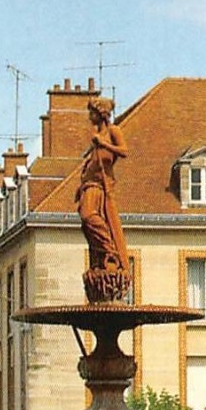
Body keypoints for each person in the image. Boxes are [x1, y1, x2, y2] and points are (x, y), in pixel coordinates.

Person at [76, 97, 131, 301]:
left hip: (101, 186)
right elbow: (90, 163)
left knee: (89, 216)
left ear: (101, 113)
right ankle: (101, 258)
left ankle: (110, 252)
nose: (89, 116)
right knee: (86, 224)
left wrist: (104, 143)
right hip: (89, 184)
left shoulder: (112, 131)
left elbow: (124, 151)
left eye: (92, 112)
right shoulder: (95, 136)